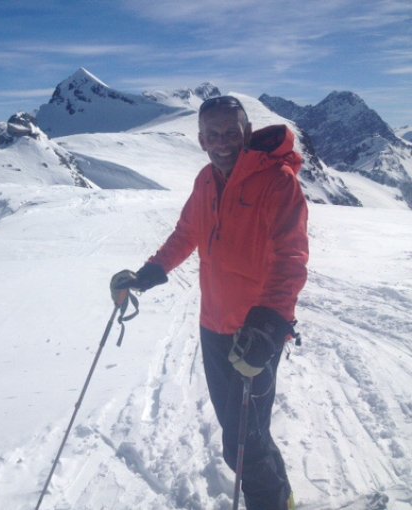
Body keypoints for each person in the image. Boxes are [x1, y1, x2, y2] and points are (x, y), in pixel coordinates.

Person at [111, 95, 309, 510]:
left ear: (247, 134)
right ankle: (282, 499)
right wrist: (149, 272)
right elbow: (187, 233)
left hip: (255, 333)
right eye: (213, 135)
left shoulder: (277, 182)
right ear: (201, 139)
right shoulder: (205, 180)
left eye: (231, 133)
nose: (222, 143)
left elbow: (290, 258)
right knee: (244, 434)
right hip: (213, 327)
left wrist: (269, 325)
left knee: (241, 443)